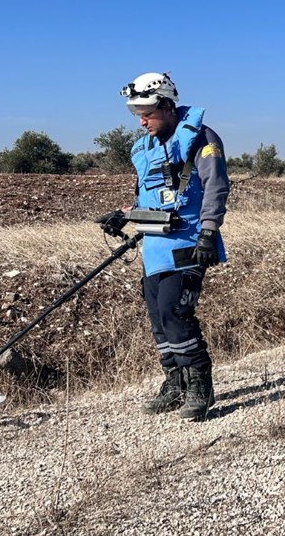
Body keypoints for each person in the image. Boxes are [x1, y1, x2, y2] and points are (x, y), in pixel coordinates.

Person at [121, 71, 229, 419]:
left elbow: (216, 186)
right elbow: (151, 197)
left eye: (147, 113)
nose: (142, 121)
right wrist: (122, 216)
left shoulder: (202, 138)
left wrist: (209, 232)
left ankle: (200, 386)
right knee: (158, 318)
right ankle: (175, 383)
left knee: (175, 312)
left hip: (191, 243)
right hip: (155, 247)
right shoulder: (148, 147)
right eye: (137, 114)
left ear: (167, 106)